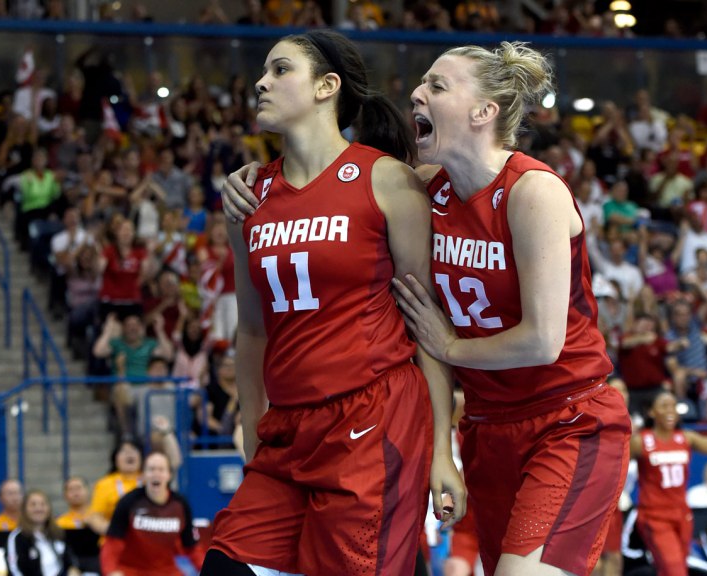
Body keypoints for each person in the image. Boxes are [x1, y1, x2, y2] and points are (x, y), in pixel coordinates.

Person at [222, 40, 630, 576]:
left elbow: (542, 340)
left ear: (483, 112)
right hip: (485, 426)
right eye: (422, 83)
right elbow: (336, 184)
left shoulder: (533, 192)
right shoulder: (425, 188)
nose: (416, 93)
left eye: (437, 86)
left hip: (568, 417)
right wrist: (249, 181)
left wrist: (450, 346)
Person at [200, 29, 463, 576]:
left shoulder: (387, 180)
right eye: (264, 72)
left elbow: (426, 324)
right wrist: (252, 432)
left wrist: (442, 448)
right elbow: (251, 331)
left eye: (280, 70)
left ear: (327, 86)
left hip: (372, 417)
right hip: (287, 429)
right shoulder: (249, 197)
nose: (261, 82)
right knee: (226, 565)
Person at [631, 390, 707, 575]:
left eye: (674, 406)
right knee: (675, 570)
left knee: (674, 568)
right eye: (664, 406)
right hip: (655, 516)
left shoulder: (686, 437)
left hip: (682, 514)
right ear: (651, 412)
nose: (670, 410)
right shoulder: (640, 441)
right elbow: (613, 466)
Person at [100, 452, 203, 576]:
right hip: (131, 570)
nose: (156, 473)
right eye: (151, 469)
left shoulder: (180, 504)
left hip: (167, 571)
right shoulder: (128, 502)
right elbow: (112, 543)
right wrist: (111, 571)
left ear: (169, 475)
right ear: (143, 475)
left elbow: (191, 546)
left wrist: (205, 569)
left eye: (161, 469)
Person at [6, 489, 81, 576]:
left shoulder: (57, 533)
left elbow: (70, 559)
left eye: (43, 504)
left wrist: (73, 569)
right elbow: (14, 571)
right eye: (33, 504)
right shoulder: (17, 538)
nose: (39, 508)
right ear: (24, 509)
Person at [86, 440, 143, 536]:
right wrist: (114, 530)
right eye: (123, 451)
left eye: (134, 450)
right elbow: (94, 517)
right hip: (116, 539)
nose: (129, 453)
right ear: (115, 459)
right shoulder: (104, 484)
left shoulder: (150, 480)